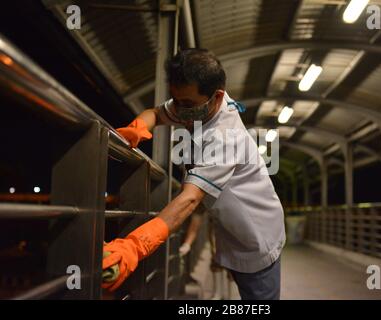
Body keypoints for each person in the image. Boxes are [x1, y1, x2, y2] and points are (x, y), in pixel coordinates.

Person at [102, 49, 286, 300]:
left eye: (186, 104)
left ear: (217, 96)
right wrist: (138, 128)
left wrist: (135, 245)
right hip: (232, 229)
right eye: (175, 100)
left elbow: (190, 198)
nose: (178, 110)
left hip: (257, 238)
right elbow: (156, 113)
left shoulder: (225, 137)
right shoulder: (198, 102)